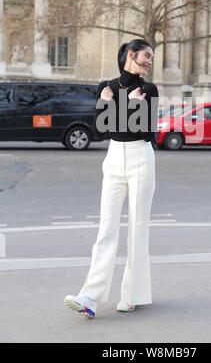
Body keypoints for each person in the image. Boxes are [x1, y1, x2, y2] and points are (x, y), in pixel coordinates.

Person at [64, 39, 159, 318]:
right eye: (146, 56)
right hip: (114, 157)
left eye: (151, 57)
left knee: (137, 227)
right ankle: (90, 297)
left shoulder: (149, 89)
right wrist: (105, 103)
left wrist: (132, 107)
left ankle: (132, 295)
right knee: (106, 228)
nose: (149, 61)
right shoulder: (106, 86)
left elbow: (146, 132)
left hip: (141, 157)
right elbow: (101, 129)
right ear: (131, 55)